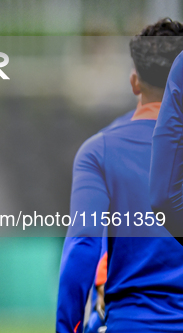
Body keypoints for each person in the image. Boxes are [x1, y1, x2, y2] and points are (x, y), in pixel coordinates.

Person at [56, 18, 183, 333]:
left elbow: (83, 246)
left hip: (132, 322)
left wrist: (65, 328)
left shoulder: (99, 150)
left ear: (134, 82)